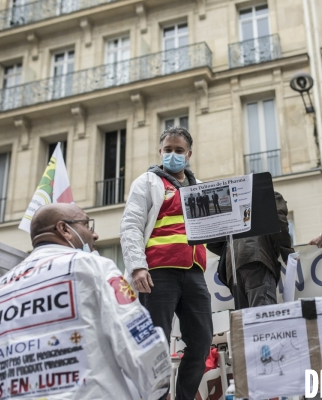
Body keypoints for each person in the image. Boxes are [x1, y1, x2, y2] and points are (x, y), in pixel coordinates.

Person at [0, 204, 171, 400]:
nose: (95, 234)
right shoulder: (93, 267)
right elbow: (141, 345)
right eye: (87, 224)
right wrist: (159, 389)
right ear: (64, 229)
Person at [120, 126, 212, 400]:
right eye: (168, 150)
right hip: (157, 273)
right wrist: (137, 267)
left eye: (179, 150)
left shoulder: (201, 188)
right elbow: (131, 226)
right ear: (160, 152)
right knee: (155, 344)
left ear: (189, 154)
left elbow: (213, 229)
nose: (173, 155)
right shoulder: (146, 182)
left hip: (194, 273)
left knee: (202, 341)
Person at [207, 192, 294, 309]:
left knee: (248, 322)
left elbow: (212, 242)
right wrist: (287, 253)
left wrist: (234, 250)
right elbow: (279, 218)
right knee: (264, 317)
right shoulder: (269, 195)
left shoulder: (231, 203)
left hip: (233, 271)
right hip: (257, 262)